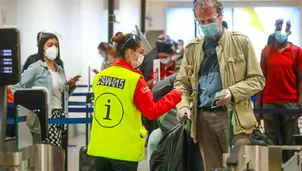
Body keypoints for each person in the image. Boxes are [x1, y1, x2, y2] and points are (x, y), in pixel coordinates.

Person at [174, 0, 265, 170]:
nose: (206, 25)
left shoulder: (241, 42)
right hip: (202, 120)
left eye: (210, 20)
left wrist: (231, 92)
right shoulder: (192, 48)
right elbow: (182, 83)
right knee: (212, 167)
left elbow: (257, 79)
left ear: (221, 16)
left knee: (238, 166)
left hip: (233, 118)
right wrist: (183, 106)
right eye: (201, 22)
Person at [87, 32, 184, 171]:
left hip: (100, 146)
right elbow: (152, 111)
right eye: (141, 52)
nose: (142, 56)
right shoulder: (134, 80)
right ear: (130, 52)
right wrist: (175, 94)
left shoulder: (99, 77)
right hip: (123, 149)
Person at [9, 32, 78, 148]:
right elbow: (15, 87)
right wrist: (29, 103)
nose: (54, 48)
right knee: (45, 154)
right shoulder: (36, 67)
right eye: (49, 45)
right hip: (43, 116)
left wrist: (69, 86)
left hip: (60, 116)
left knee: (58, 153)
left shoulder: (59, 69)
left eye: (56, 45)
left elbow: (62, 95)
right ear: (42, 48)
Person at [256, 19, 302, 162]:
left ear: (289, 32)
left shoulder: (296, 52)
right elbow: (260, 80)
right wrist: (258, 107)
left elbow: (301, 79)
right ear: (274, 29)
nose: (281, 32)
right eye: (278, 28)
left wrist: (300, 103)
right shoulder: (266, 52)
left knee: (290, 142)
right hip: (269, 103)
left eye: (284, 29)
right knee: (270, 142)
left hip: (290, 103)